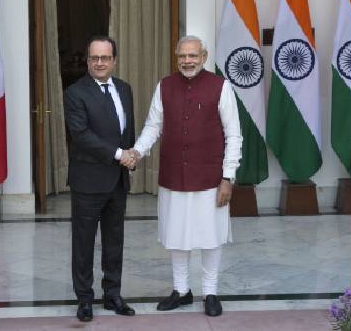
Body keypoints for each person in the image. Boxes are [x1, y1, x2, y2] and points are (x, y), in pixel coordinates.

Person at [130, 35, 242, 317]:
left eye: (193, 56)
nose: (187, 61)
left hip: (210, 178)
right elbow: (152, 126)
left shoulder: (221, 86)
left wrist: (228, 176)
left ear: (203, 57)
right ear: (176, 57)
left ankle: (211, 292)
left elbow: (234, 135)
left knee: (211, 236)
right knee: (176, 235)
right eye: (183, 56)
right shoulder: (165, 86)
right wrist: (137, 152)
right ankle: (181, 290)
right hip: (174, 176)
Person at [64, 36, 137, 322]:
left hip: (117, 181)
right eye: (95, 57)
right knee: (83, 243)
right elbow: (81, 136)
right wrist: (120, 153)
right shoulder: (75, 92)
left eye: (105, 57)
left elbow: (125, 130)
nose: (100, 62)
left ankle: (113, 294)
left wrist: (132, 155)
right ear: (87, 60)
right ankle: (84, 299)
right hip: (88, 181)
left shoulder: (124, 89)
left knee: (114, 240)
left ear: (114, 60)